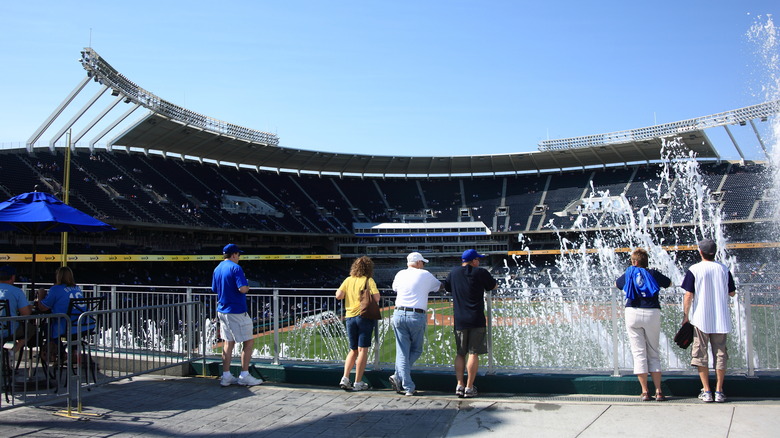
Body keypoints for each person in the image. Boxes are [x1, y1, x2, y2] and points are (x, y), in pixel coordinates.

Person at [682, 238, 736, 403]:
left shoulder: (694, 269)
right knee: (720, 354)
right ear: (715, 252)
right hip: (721, 318)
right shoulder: (723, 269)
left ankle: (706, 391)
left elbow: (689, 294)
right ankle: (719, 390)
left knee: (700, 355)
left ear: (700, 252)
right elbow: (732, 293)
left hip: (700, 319)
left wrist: (686, 316)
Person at [615, 248, 672, 401]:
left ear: (634, 262)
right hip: (651, 312)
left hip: (632, 312)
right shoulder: (653, 273)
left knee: (639, 353)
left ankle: (645, 391)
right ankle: (659, 391)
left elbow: (617, 284)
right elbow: (669, 283)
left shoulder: (629, 273)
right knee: (653, 352)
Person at [443, 249, 498, 398]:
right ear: (473, 261)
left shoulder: (453, 273)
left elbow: (447, 287)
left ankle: (459, 384)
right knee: (473, 353)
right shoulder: (480, 272)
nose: (479, 262)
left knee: (460, 353)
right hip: (476, 318)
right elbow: (493, 286)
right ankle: (469, 387)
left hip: (460, 319)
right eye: (477, 259)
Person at [389, 252, 442, 396]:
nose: (423, 265)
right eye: (423, 262)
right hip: (416, 315)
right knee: (416, 350)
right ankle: (407, 386)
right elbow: (439, 287)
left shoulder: (400, 274)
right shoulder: (425, 274)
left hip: (398, 314)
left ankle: (398, 376)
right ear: (418, 262)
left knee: (402, 352)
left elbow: (395, 288)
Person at [212, 244, 262, 387]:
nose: (239, 257)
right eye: (238, 255)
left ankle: (226, 376)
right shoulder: (236, 268)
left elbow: (214, 288)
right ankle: (244, 375)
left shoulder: (217, 268)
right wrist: (248, 287)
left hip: (222, 310)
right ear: (234, 254)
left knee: (228, 343)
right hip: (236, 311)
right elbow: (242, 289)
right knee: (248, 342)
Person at [336, 256, 380, 391]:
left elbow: (338, 295)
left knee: (353, 349)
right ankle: (358, 382)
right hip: (364, 316)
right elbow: (377, 298)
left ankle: (345, 377)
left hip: (349, 317)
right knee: (362, 350)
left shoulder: (348, 280)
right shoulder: (368, 280)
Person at [36, 266, 96, 363]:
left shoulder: (55, 289)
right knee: (69, 331)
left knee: (47, 328)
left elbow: (43, 307)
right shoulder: (77, 288)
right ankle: (73, 352)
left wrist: (40, 295)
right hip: (86, 324)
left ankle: (61, 354)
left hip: (69, 325)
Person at [0, 265, 33, 362]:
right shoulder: (16, 291)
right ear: (13, 277)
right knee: (30, 329)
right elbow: (26, 314)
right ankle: (13, 351)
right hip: (9, 330)